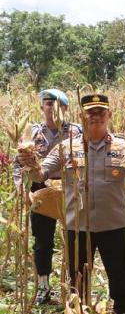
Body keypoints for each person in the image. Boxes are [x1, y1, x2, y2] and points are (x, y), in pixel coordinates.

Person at [17, 94, 125, 314]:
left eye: (101, 112)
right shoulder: (66, 147)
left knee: (121, 282)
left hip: (113, 225)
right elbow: (40, 175)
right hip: (77, 228)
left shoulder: (124, 145)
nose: (95, 116)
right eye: (90, 112)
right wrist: (29, 162)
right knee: (77, 284)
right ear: (82, 115)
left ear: (109, 115)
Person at [12, 88, 82, 305]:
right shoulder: (32, 132)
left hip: (69, 188)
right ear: (42, 106)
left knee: (75, 239)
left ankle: (76, 288)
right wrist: (21, 189)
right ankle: (43, 286)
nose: (52, 107)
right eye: (48, 103)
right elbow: (18, 164)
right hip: (39, 188)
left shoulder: (76, 132)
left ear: (66, 108)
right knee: (43, 241)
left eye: (57, 104)